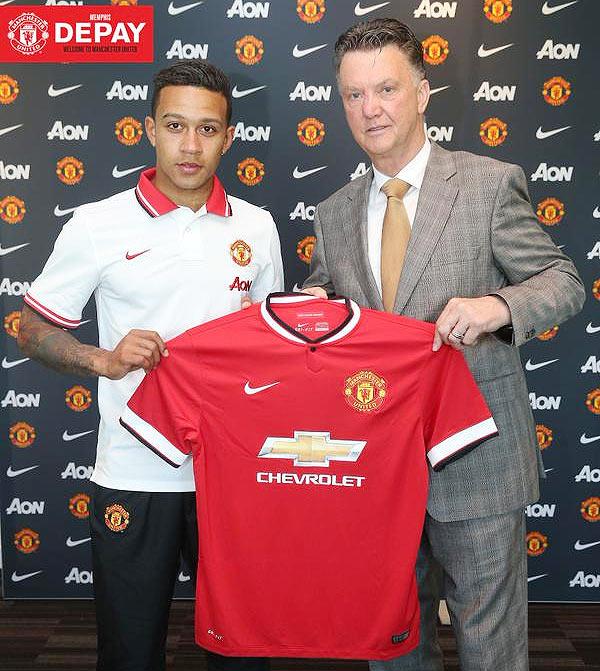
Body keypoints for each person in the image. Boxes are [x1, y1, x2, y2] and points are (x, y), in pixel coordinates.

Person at [303, 18, 584, 671]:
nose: (370, 109)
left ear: (423, 93)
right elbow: (326, 298)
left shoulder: (488, 184)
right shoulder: (334, 212)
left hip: (478, 461)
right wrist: (312, 306)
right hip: (375, 470)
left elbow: (563, 281)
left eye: (386, 88)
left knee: (491, 650)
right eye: (353, 94)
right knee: (393, 647)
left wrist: (498, 305)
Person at [17, 60, 282, 671]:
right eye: (175, 125)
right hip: (135, 472)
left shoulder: (258, 228)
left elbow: (269, 344)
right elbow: (31, 327)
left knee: (243, 651)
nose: (190, 146)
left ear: (229, 137)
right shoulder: (97, 224)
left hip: (232, 476)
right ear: (149, 129)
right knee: (131, 651)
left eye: (208, 129)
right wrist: (103, 359)